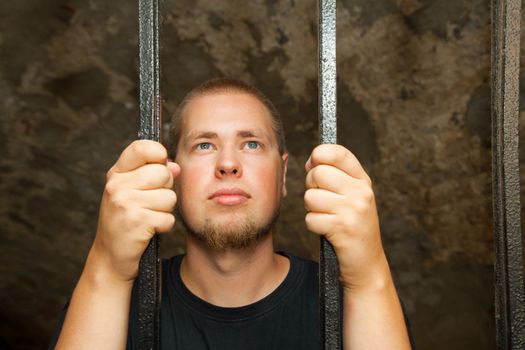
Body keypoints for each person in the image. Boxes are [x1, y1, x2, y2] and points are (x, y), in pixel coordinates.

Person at [49, 78, 412, 349]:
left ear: (283, 175)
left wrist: (369, 277)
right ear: (171, 174)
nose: (227, 164)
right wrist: (107, 267)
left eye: (251, 144)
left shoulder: (348, 302)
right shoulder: (115, 301)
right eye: (204, 144)